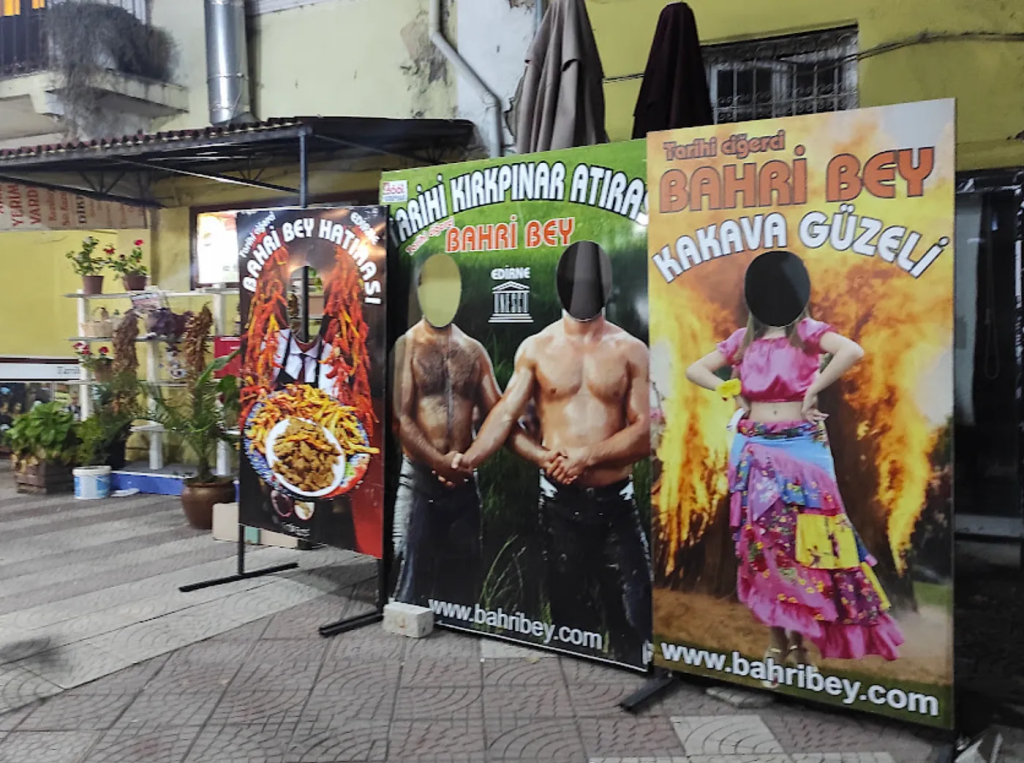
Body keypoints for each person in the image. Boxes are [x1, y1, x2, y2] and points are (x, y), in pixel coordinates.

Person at [684, 250, 904, 669]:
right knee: (766, 551)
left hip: (803, 449)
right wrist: (732, 392)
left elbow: (851, 351)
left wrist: (813, 387)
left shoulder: (808, 332)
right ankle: (777, 640)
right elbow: (696, 370)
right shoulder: (742, 341)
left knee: (812, 547)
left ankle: (802, 642)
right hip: (756, 450)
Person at [453, 241, 652, 664]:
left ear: (606, 287)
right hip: (559, 506)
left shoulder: (630, 350)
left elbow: (646, 432)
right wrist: (470, 460)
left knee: (635, 621)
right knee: (568, 623)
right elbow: (507, 419)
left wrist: (588, 457)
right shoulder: (536, 348)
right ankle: (573, 697)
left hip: (616, 505)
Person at [392, 254, 557, 607]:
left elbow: (500, 418)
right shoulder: (407, 346)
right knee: (409, 580)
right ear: (420, 293)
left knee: (463, 586)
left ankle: (456, 654)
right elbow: (400, 419)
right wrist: (439, 462)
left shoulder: (474, 351)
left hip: (466, 485)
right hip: (421, 480)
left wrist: (541, 454)